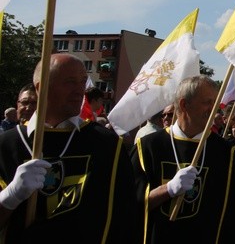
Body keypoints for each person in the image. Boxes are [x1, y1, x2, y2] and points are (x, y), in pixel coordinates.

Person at [0, 53, 137, 242]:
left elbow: (125, 219)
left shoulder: (106, 144)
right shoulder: (7, 145)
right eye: (70, 82)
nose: (80, 90)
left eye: (82, 82)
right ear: (41, 88)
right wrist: (10, 196)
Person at [132, 75, 235, 243]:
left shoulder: (225, 151)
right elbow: (130, 203)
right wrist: (168, 189)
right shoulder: (148, 147)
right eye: (207, 102)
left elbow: (232, 213)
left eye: (215, 103)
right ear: (184, 104)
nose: (214, 110)